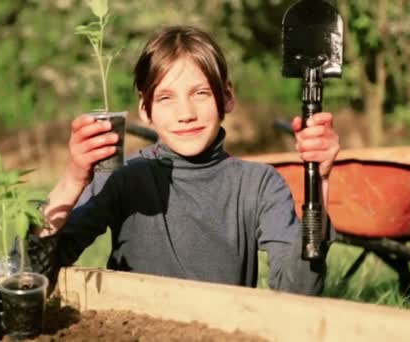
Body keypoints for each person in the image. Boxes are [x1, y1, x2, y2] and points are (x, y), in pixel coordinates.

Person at [23, 25, 340, 296]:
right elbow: (30, 273)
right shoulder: (124, 177)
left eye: (200, 93)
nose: (186, 114)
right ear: (145, 110)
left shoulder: (258, 185)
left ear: (226, 96)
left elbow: (298, 292)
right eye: (165, 98)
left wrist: (320, 180)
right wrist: (73, 179)